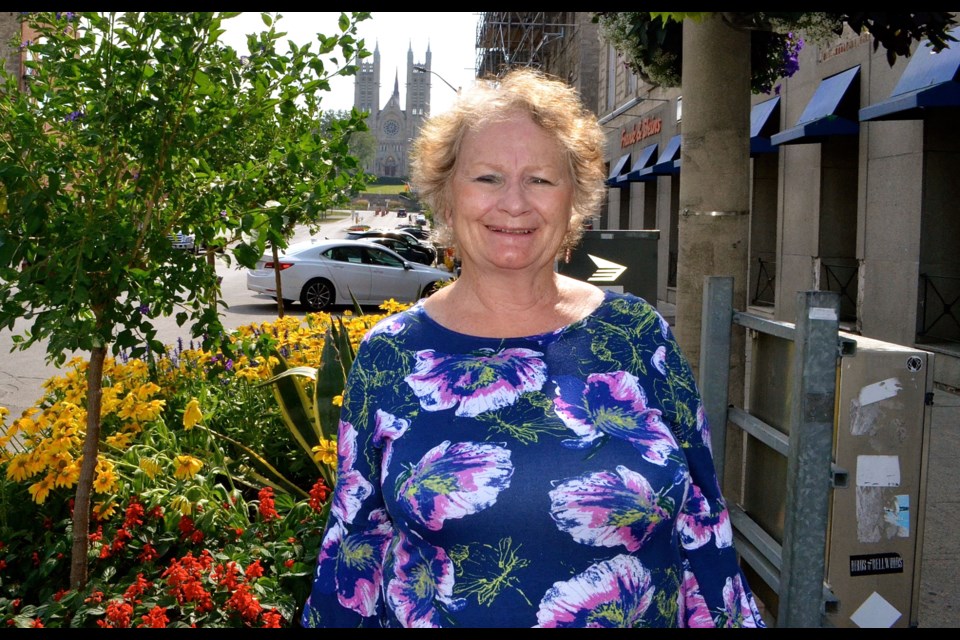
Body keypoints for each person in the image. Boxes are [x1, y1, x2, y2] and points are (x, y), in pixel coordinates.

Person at [300, 68, 766, 628]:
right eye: (488, 177)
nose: (515, 204)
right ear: (446, 198)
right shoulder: (390, 356)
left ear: (575, 200)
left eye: (541, 179)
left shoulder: (638, 336)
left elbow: (702, 526)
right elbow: (356, 547)